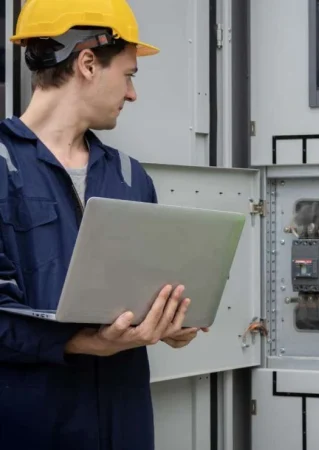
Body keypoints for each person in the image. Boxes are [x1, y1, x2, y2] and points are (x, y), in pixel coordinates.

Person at [0, 0, 206, 448]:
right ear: (88, 63)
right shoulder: (2, 165)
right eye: (129, 74)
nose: (132, 94)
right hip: (30, 427)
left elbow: (148, 286)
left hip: (124, 425)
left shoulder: (131, 176)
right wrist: (82, 342)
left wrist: (169, 321)